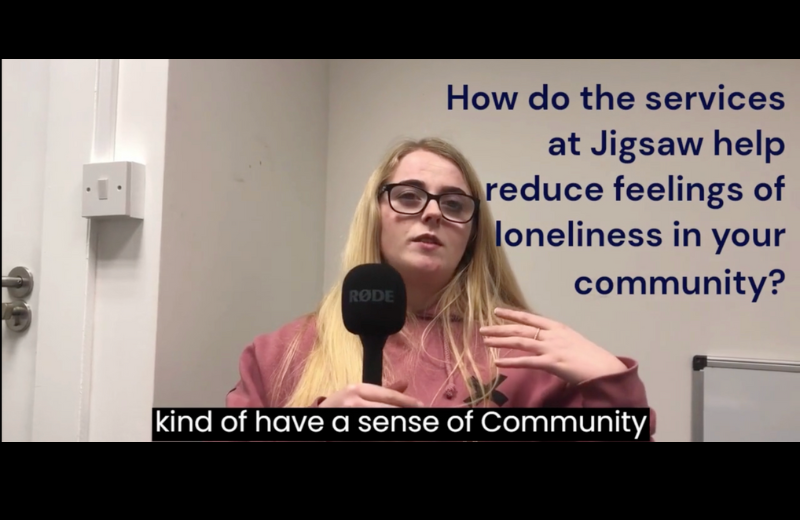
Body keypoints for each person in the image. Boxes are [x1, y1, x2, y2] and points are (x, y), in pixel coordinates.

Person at [226, 137, 656, 440]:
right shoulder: (280, 354)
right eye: (410, 196)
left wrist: (611, 386)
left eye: (453, 204)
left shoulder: (527, 355)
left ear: (473, 232)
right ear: (375, 214)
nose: (432, 213)